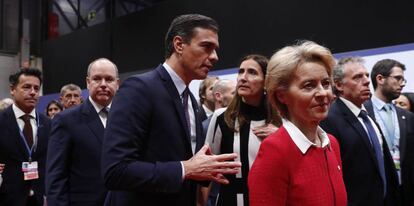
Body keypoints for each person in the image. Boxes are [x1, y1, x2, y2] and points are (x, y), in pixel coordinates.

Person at [101, 14, 241, 206]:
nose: (215, 57)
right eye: (206, 47)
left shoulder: (190, 100)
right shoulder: (139, 89)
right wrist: (186, 169)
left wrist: (206, 170)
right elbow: (116, 171)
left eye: (215, 49)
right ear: (179, 45)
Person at [249, 41, 347, 206]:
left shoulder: (332, 144)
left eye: (325, 83)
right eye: (309, 86)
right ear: (282, 96)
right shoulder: (275, 150)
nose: (323, 93)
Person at [320, 57, 399, 206]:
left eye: (366, 75)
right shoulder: (329, 120)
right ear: (338, 85)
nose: (367, 81)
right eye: (357, 77)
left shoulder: (368, 115)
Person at [204, 54, 279, 206]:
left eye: (252, 72)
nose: (243, 77)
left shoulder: (282, 121)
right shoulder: (221, 117)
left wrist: (281, 137)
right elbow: (206, 169)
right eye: (241, 71)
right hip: (231, 199)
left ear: (266, 82)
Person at [46, 58, 120, 206]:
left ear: (117, 84)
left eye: (109, 79)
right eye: (97, 79)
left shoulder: (128, 117)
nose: (103, 84)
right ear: (88, 82)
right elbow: (56, 176)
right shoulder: (65, 120)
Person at [364, 59, 414, 206]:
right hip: (376, 193)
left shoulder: (408, 117)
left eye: (403, 79)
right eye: (398, 78)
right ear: (380, 79)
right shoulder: (362, 113)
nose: (402, 83)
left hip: (405, 193)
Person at [0, 68, 52, 206]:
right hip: (7, 198)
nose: (33, 92)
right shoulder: (1, 121)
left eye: (36, 88)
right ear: (13, 90)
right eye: (27, 87)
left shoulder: (48, 124)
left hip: (41, 198)